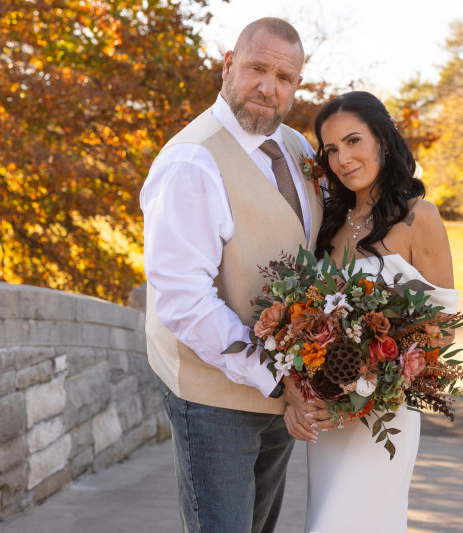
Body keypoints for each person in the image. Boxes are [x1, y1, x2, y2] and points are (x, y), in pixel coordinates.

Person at [139, 18, 327, 533]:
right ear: (228, 65)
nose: (269, 88)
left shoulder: (298, 150)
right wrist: (277, 376)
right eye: (257, 68)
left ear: (297, 86)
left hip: (281, 390)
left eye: (284, 77)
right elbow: (184, 304)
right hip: (213, 398)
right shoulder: (191, 162)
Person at [283, 91, 459, 532]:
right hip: (327, 423)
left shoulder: (421, 218)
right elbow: (301, 323)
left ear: (382, 139)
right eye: (331, 149)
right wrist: (298, 395)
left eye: (354, 141)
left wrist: (361, 399)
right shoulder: (327, 225)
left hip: (384, 420)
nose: (343, 158)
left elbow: (442, 332)